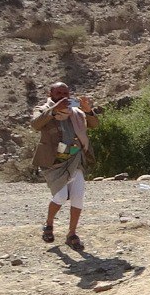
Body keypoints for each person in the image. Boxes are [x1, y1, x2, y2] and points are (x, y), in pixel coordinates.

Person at [31, 81, 99, 251]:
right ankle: (49, 224)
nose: (62, 96)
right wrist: (54, 110)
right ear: (50, 94)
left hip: (75, 157)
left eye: (65, 93)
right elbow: (35, 124)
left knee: (78, 197)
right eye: (58, 93)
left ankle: (72, 234)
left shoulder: (75, 112)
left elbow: (94, 124)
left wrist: (88, 110)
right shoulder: (43, 110)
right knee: (60, 196)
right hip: (54, 161)